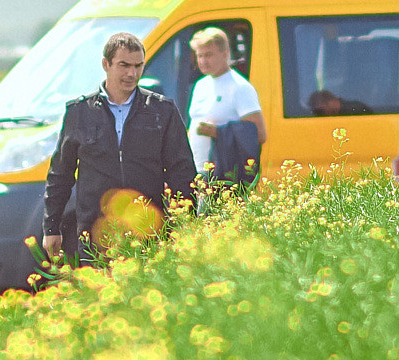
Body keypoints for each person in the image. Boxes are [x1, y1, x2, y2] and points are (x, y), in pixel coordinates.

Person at [43, 31, 197, 264]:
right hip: (95, 233)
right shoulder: (79, 112)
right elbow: (60, 175)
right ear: (106, 64)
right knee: (102, 299)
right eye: (124, 65)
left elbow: (182, 171)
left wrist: (185, 224)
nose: (132, 74)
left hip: (148, 231)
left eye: (138, 66)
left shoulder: (162, 111)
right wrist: (51, 227)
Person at [185, 26, 266, 187]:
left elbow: (259, 134)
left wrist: (218, 132)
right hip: (197, 172)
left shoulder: (240, 87)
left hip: (224, 176)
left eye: (208, 55)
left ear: (225, 54)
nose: (203, 61)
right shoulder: (200, 85)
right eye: (199, 55)